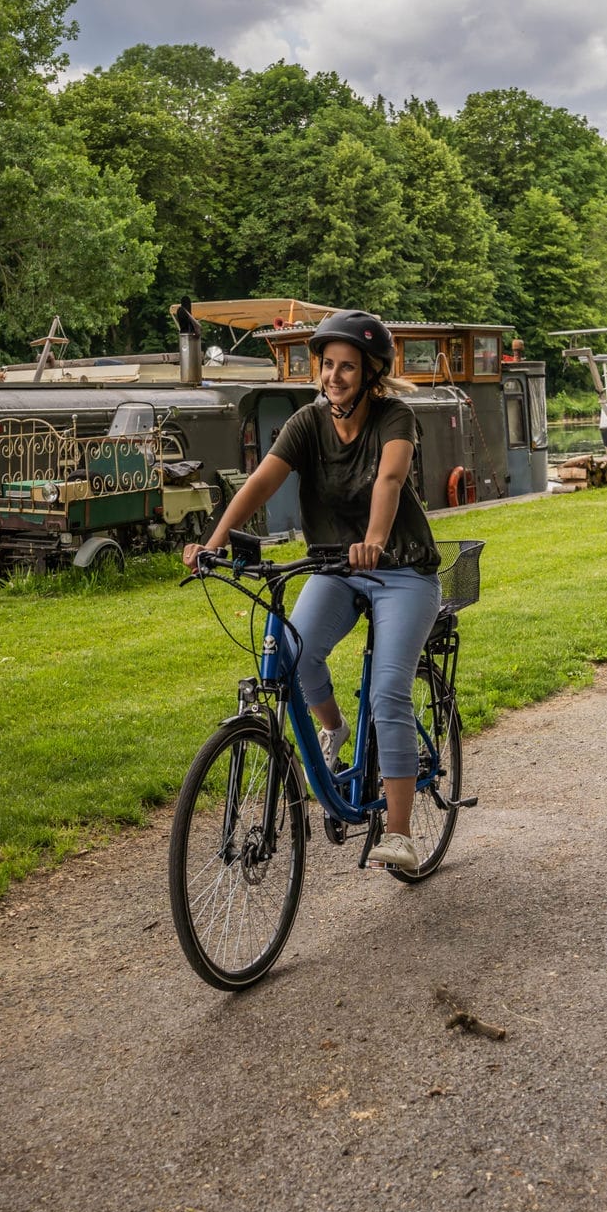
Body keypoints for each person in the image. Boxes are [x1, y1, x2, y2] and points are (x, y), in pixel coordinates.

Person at [183, 309, 441, 874]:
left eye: (347, 367)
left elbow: (390, 480)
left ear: (370, 373)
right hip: (333, 565)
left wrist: (374, 540)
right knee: (295, 656)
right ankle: (333, 728)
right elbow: (263, 480)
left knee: (388, 691)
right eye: (328, 366)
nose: (334, 376)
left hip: (401, 569)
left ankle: (397, 832)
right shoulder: (307, 422)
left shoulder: (394, 416)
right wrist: (213, 541)